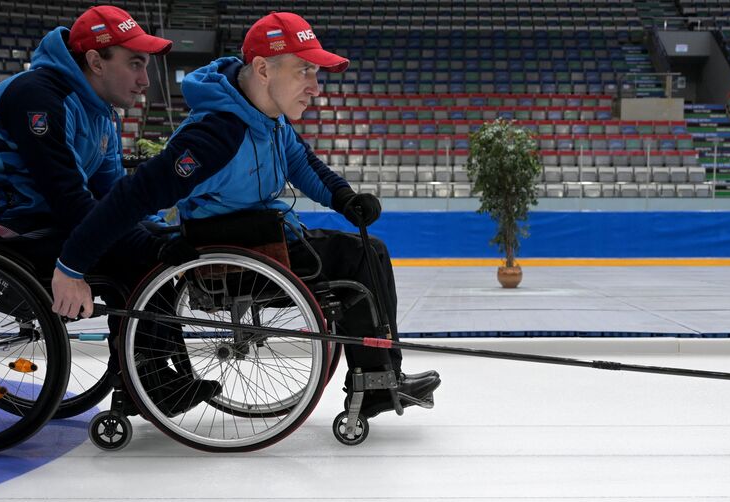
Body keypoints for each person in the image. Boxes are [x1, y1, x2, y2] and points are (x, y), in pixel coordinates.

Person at [50, 11, 440, 419]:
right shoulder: (216, 135)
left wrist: (345, 198)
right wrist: (72, 264)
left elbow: (302, 163)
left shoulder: (268, 119)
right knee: (362, 256)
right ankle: (377, 382)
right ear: (262, 69)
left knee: (368, 252)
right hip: (235, 257)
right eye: (304, 70)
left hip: (261, 242)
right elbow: (131, 198)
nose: (315, 86)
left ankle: (379, 377)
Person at [0, 6, 218, 412]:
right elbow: (68, 198)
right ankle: (150, 380)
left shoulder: (101, 114)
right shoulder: (37, 96)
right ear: (95, 62)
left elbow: (115, 197)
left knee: (154, 246)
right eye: (136, 64)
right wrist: (131, 246)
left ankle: (158, 377)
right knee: (136, 254)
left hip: (41, 218)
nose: (145, 80)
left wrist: (159, 231)